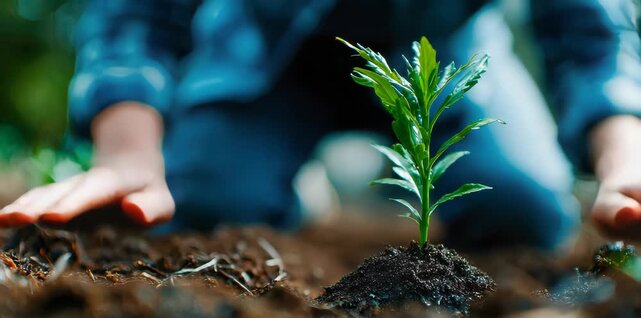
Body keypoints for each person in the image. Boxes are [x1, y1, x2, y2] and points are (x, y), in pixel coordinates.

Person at [1, 0, 640, 250]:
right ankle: (282, 175)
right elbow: (137, 15)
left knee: (524, 212)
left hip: (448, 56)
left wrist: (625, 160)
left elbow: (587, 31)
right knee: (208, 205)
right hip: (266, 58)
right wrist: (128, 155)